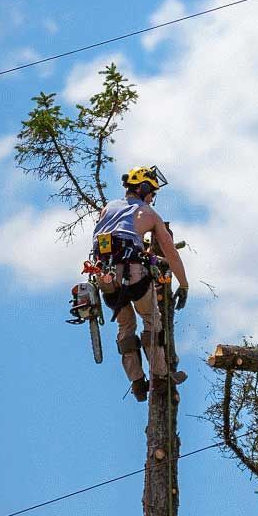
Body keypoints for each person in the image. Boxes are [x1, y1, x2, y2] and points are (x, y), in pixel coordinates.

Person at [92, 166, 189, 402]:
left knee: (125, 328)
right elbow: (171, 254)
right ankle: (161, 377)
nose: (153, 198)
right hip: (133, 274)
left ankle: (137, 383)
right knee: (152, 322)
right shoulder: (148, 214)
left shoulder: (107, 209)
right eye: (152, 192)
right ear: (143, 188)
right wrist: (184, 284)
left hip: (104, 277)